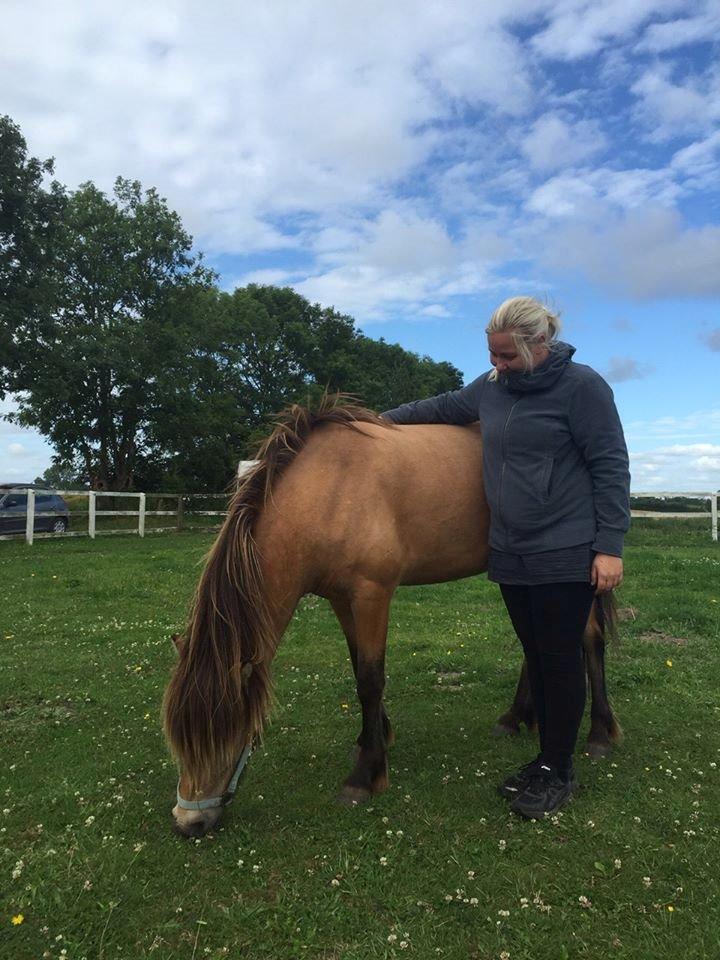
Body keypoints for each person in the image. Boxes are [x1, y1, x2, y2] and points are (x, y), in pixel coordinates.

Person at [381, 296, 630, 819]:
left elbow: (610, 466)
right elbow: (441, 407)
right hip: (511, 550)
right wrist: (368, 424)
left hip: (566, 546)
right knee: (537, 656)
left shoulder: (583, 387)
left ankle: (559, 771)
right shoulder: (493, 389)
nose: (498, 367)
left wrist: (609, 547)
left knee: (561, 660)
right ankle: (545, 761)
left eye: (508, 357)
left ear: (539, 344)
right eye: (492, 356)